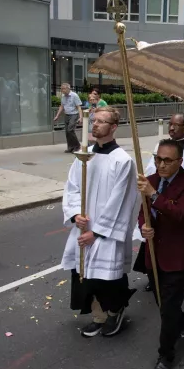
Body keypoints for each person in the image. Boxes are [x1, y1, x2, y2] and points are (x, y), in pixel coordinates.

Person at [60, 106, 139, 338]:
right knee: (85, 276)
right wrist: (75, 214)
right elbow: (72, 187)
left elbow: (121, 202)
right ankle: (98, 315)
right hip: (83, 227)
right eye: (93, 121)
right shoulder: (84, 156)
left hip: (106, 233)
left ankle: (115, 311)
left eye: (101, 122)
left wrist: (97, 233)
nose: (94, 125)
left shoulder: (122, 161)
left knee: (107, 279)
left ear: (113, 127)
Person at [136, 139, 184, 369]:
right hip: (153, 255)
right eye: (157, 159)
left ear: (180, 162)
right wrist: (144, 226)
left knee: (168, 309)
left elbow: (181, 216)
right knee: (164, 304)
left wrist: (153, 195)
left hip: (177, 258)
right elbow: (142, 211)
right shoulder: (150, 180)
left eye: (166, 160)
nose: (160, 165)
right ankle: (181, 322)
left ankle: (166, 355)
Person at [143, 113, 184, 261]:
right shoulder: (160, 146)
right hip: (156, 199)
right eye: (169, 124)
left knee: (174, 246)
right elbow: (151, 171)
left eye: (175, 125)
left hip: (176, 202)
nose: (171, 128)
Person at [52, 82, 82, 153]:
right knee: (67, 132)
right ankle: (70, 147)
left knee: (70, 129)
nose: (62, 90)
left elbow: (79, 107)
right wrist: (57, 116)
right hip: (67, 114)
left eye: (64, 89)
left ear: (68, 88)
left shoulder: (74, 95)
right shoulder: (63, 96)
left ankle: (77, 146)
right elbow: (62, 106)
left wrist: (80, 117)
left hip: (74, 114)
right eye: (61, 89)